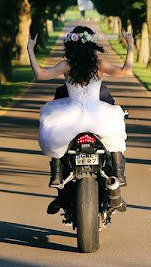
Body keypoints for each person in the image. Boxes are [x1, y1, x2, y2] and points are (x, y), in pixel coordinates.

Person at [27, 26, 135, 189]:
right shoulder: (100, 65)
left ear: (71, 45)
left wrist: (30, 50)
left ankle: (56, 174)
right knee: (115, 137)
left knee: (57, 136)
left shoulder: (67, 66)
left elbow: (40, 75)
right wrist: (131, 45)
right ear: (92, 45)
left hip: (70, 113)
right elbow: (126, 71)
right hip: (98, 114)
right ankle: (119, 173)